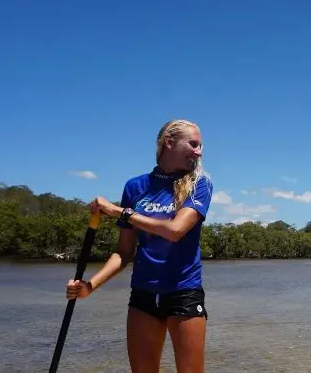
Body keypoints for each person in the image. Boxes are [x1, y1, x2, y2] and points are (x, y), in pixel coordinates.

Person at [65, 119, 214, 373]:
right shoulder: (135, 187)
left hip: (183, 293)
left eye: (200, 146)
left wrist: (122, 213)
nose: (199, 151)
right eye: (193, 144)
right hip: (143, 295)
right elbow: (124, 253)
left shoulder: (200, 184)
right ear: (169, 142)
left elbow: (175, 231)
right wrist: (90, 286)